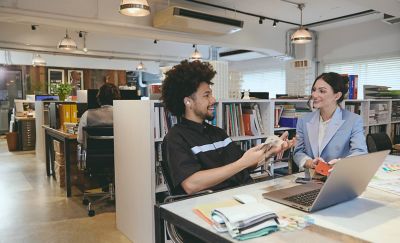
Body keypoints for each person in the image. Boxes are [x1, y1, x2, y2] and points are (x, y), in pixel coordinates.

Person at [161, 60, 294, 196]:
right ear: (188, 101)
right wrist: (241, 164)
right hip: (216, 206)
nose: (213, 100)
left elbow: (244, 164)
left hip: (246, 196)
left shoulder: (218, 133)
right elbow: (191, 184)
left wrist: (269, 152)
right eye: (206, 95)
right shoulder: (175, 138)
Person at [293, 72, 368, 173]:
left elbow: (360, 152)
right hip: (311, 179)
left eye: (322, 91)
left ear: (336, 96)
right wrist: (309, 162)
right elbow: (298, 152)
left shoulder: (354, 120)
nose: (314, 95)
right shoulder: (304, 120)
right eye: (314, 90)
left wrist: (341, 163)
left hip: (339, 178)